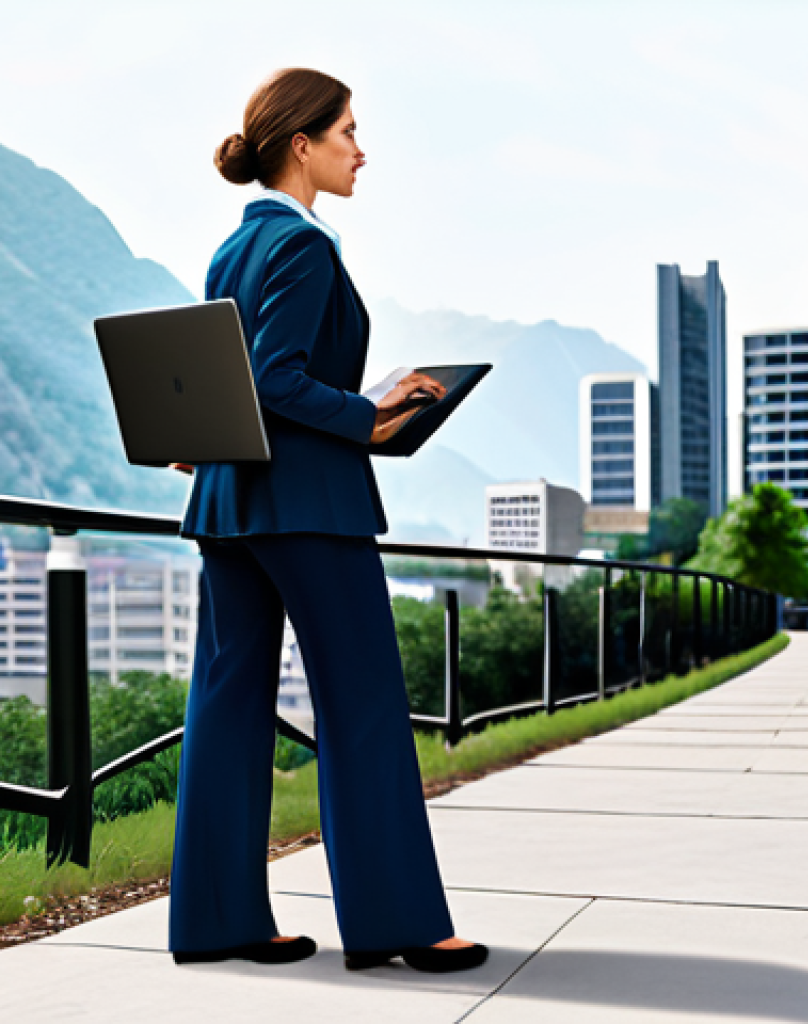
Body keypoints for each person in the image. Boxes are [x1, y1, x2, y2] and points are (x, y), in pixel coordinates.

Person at [167, 67, 487, 974]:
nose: (361, 148)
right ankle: (399, 926)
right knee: (363, 708)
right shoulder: (306, 247)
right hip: (308, 505)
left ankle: (216, 920)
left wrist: (214, 432)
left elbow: (234, 380)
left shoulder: (234, 247)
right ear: (300, 144)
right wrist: (371, 410)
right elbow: (276, 378)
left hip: (229, 506)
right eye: (347, 130)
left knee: (227, 708)